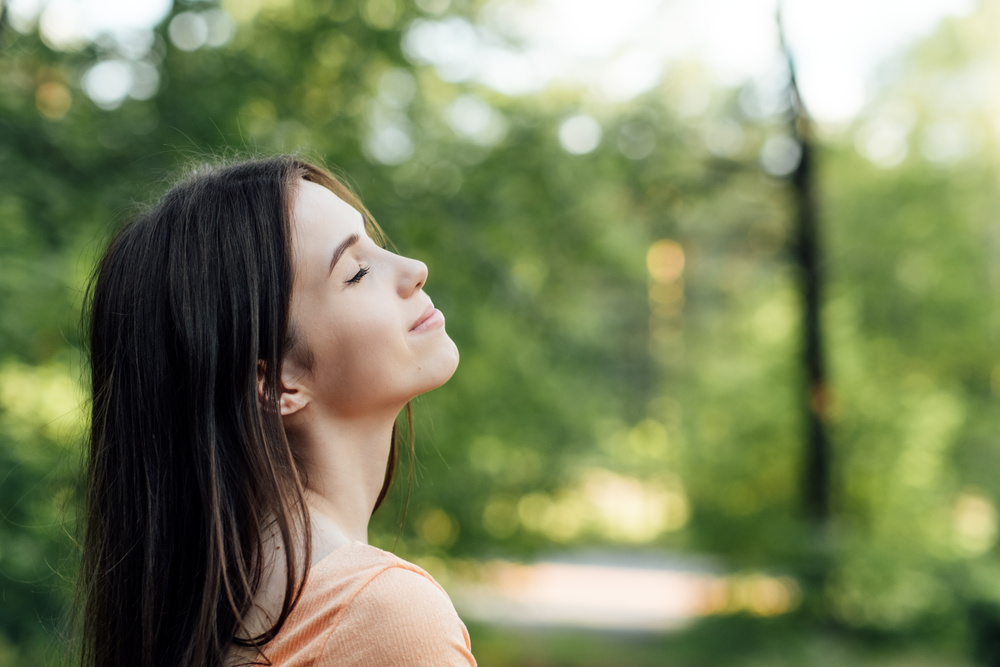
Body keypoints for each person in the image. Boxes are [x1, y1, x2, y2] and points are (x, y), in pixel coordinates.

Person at [79, 156, 474, 667]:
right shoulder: (381, 615)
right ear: (273, 380)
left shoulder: (210, 621)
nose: (415, 270)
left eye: (377, 246)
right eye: (356, 272)